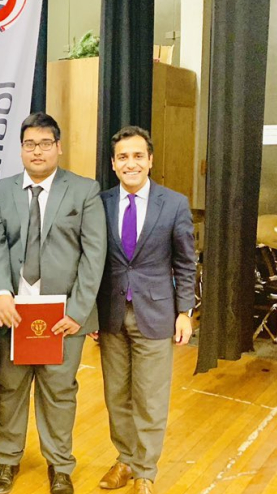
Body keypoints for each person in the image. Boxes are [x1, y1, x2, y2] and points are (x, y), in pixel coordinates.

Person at [0, 112, 107, 494]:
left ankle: (60, 465)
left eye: (45, 143)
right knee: (11, 388)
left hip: (63, 316)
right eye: (29, 144)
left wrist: (78, 311)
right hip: (12, 311)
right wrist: (0, 293)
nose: (37, 151)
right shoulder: (1, 192)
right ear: (20, 149)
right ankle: (6, 461)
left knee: (60, 391)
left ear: (58, 147)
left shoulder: (84, 190)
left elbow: (94, 253)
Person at [96, 126, 196, 494]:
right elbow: (93, 260)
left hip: (155, 314)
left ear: (150, 161)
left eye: (138, 156)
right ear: (113, 163)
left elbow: (186, 263)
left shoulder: (174, 204)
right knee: (116, 396)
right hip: (110, 315)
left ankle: (145, 472)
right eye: (123, 157)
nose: (131, 163)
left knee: (151, 398)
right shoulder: (100, 202)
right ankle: (124, 460)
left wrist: (185, 309)